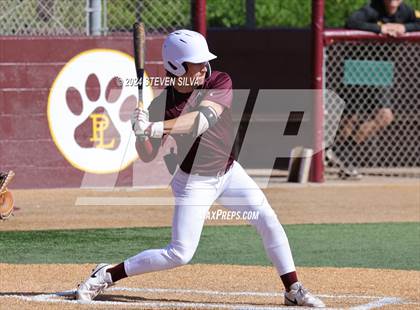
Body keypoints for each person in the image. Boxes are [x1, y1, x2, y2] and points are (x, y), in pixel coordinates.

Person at [76, 30, 325, 307]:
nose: (205, 67)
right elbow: (147, 155)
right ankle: (107, 274)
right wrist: (139, 131)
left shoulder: (219, 80)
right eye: (197, 63)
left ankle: (293, 290)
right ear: (176, 67)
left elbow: (201, 121)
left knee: (268, 220)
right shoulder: (163, 104)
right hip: (193, 182)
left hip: (230, 173)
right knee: (179, 253)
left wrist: (153, 127)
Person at [326, 0, 420, 179]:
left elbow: (416, 23)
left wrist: (403, 28)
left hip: (381, 68)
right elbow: (352, 22)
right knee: (350, 118)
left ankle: (341, 151)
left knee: (385, 115)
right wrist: (381, 29)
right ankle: (346, 162)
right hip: (358, 65)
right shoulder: (372, 8)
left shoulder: (406, 11)